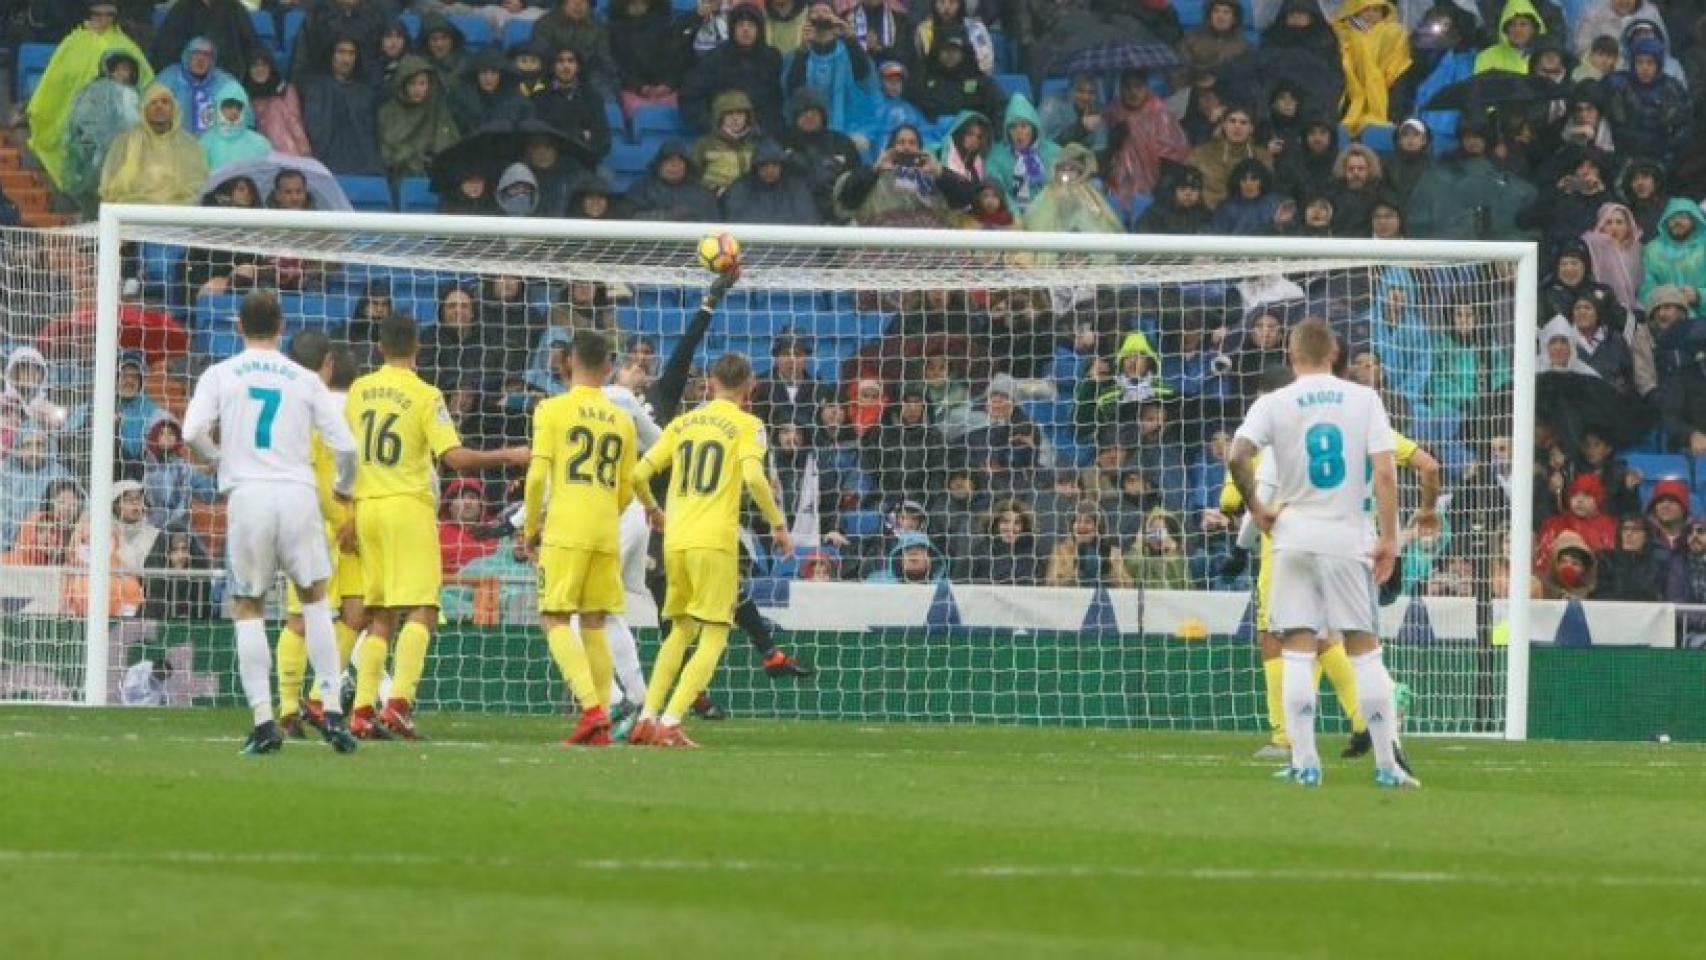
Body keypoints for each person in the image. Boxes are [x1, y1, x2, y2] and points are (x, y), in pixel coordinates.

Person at [1228, 318, 1417, 788]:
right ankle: (1387, 765)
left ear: (1291, 357)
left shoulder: (1275, 401)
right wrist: (1389, 539)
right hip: (1346, 535)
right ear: (1335, 355)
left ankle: (1305, 763)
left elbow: (1236, 455)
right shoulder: (1364, 399)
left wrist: (1258, 508)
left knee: (1295, 647)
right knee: (1363, 649)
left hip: (1292, 535)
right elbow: (1386, 473)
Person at [180, 292, 360, 757]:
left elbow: (190, 432)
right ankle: (334, 714)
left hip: (250, 495)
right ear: (280, 327)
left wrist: (222, 461)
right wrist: (343, 487)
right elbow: (345, 445)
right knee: (316, 601)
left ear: (239, 325)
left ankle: (264, 720)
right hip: (298, 494)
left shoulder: (221, 374)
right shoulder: (303, 379)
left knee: (249, 606)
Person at [344, 315, 530, 741]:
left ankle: (361, 711)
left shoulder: (358, 391)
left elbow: (346, 456)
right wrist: (510, 454)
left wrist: (350, 513)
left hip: (367, 508)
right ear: (417, 350)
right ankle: (398, 706)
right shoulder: (426, 394)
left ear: (379, 348)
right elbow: (455, 458)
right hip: (407, 506)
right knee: (424, 608)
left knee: (379, 614)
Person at [628, 353, 793, 747]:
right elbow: (753, 476)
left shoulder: (683, 423)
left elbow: (637, 473)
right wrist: (778, 525)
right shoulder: (749, 425)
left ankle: (647, 718)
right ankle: (670, 722)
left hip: (675, 540)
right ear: (749, 388)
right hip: (713, 541)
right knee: (716, 632)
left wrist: (653, 509)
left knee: (680, 631)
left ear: (711, 384)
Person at [517, 329, 648, 746]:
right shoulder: (622, 420)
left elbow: (538, 475)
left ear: (566, 364)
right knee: (594, 621)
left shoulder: (551, 409)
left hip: (566, 528)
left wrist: (531, 526)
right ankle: (603, 720)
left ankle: (593, 709)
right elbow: (628, 486)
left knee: (553, 617)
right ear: (609, 369)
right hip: (605, 529)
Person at [273, 333, 367, 740]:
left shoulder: (300, 405)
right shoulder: (315, 408)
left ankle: (310, 699)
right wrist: (341, 516)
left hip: (321, 518)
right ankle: (290, 707)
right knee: (304, 618)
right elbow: (316, 473)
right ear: (326, 363)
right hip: (320, 520)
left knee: (354, 613)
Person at [26, 1, 154, 193]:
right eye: (98, 14)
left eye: (108, 15)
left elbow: (146, 83)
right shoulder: (72, 43)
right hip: (78, 119)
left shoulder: (126, 46)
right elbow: (55, 81)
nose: (103, 19)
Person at [62, 50, 145, 217]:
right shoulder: (92, 92)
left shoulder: (135, 95)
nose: (123, 73)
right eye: (119, 68)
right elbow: (79, 126)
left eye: (127, 69)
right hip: (93, 161)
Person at [99, 83, 208, 206]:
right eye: (153, 103)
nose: (159, 106)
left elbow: (198, 187)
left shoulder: (189, 145)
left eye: (164, 102)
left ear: (173, 109)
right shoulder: (124, 143)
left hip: (178, 215)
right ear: (144, 109)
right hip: (132, 214)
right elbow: (109, 188)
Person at [300, 37, 385, 176]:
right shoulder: (317, 87)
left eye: (352, 53)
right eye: (341, 52)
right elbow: (316, 127)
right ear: (331, 55)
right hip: (328, 159)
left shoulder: (364, 91)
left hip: (365, 160)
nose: (346, 59)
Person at [379, 57, 462, 180]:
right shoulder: (388, 112)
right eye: (412, 83)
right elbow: (387, 150)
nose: (417, 89)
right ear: (403, 84)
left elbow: (449, 143)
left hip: (435, 174)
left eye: (422, 83)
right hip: (398, 176)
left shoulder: (438, 109)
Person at [151, 0, 259, 79]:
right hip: (185, 80)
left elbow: (251, 45)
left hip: (227, 78)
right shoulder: (180, 9)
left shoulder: (235, 9)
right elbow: (165, 50)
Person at [156, 36, 238, 138]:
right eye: (196, 53)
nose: (201, 59)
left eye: (206, 55)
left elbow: (242, 117)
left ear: (212, 60)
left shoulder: (225, 83)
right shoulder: (168, 78)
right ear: (187, 56)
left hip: (215, 147)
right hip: (174, 145)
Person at [242, 49, 311, 158]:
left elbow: (295, 123)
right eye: (255, 66)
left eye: (264, 65)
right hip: (259, 156)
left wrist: (305, 153)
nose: (260, 69)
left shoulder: (285, 91)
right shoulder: (243, 95)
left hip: (290, 153)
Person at [199, 80, 271, 173]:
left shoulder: (259, 143)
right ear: (218, 107)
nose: (234, 111)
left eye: (238, 107)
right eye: (229, 106)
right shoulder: (206, 143)